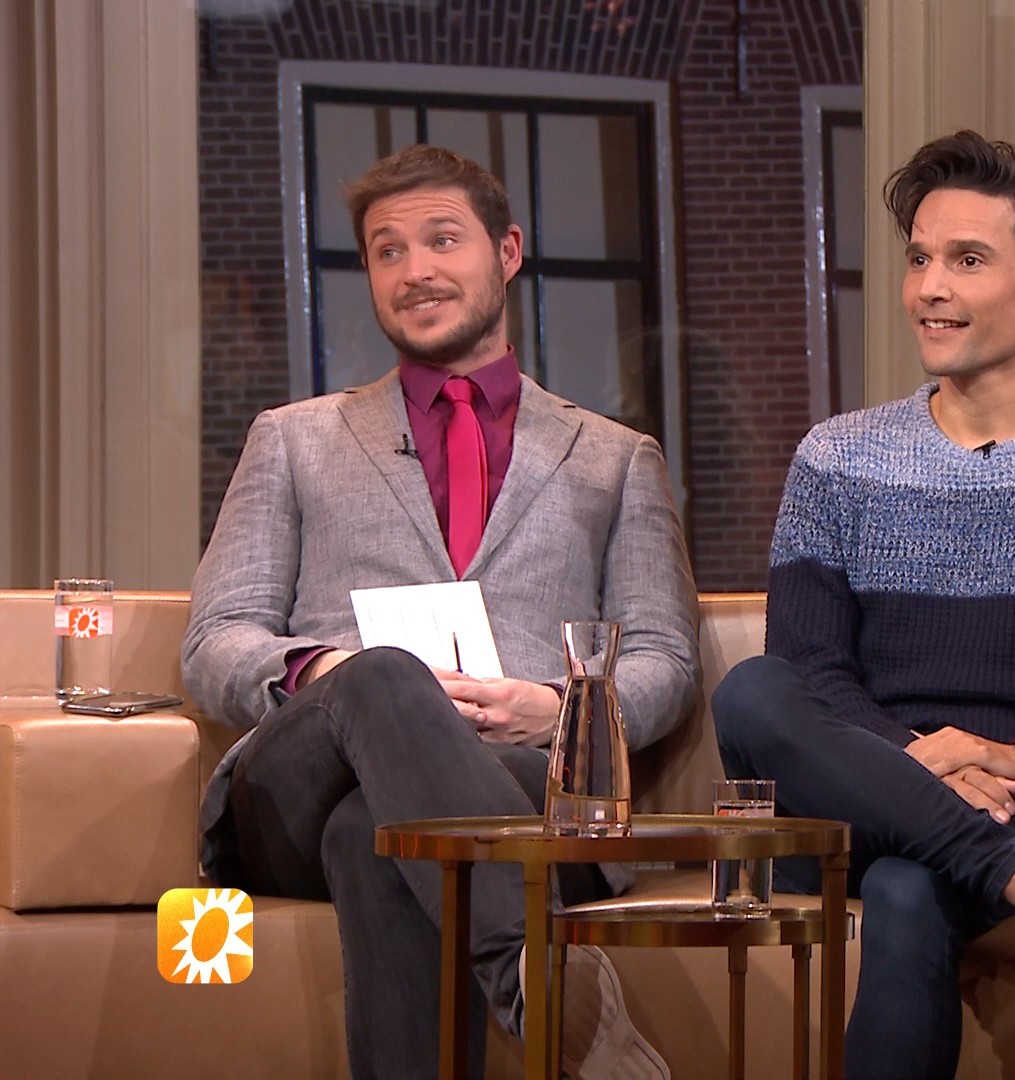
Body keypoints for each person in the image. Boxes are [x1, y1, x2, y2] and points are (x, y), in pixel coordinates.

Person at [184, 144, 698, 1080]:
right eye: (388, 251)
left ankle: (537, 993)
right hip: (300, 789)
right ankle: (538, 984)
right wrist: (327, 673)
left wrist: (562, 709)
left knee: (375, 837)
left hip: (521, 783)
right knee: (383, 677)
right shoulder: (292, 441)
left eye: (442, 240)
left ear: (507, 251)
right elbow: (217, 640)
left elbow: (664, 654)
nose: (415, 269)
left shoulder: (614, 457)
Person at [710, 130, 1015, 1080]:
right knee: (750, 690)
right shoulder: (836, 458)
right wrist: (908, 762)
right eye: (919, 260)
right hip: (851, 794)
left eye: (968, 261)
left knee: (910, 886)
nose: (929, 288)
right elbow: (809, 675)